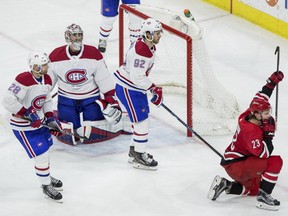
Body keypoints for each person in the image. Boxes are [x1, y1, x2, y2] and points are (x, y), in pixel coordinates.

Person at [207, 71, 284, 211]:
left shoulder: (248, 114)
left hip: (235, 163)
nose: (269, 116)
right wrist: (269, 135)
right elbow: (264, 154)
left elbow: (262, 95)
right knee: (275, 162)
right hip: (237, 166)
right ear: (256, 114)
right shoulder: (251, 131)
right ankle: (264, 198)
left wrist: (271, 83)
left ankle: (226, 185)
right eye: (266, 113)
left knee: (254, 189)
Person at [2, 51, 64, 202]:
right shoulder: (23, 79)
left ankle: (46, 176)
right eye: (43, 65)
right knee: (41, 155)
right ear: (34, 66)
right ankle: (45, 185)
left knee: (46, 152)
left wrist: (50, 118)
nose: (46, 67)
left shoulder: (47, 79)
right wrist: (27, 113)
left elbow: (47, 100)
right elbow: (8, 100)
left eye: (45, 64)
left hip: (40, 123)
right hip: (24, 127)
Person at [49, 23, 124, 145]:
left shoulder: (93, 53)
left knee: (94, 127)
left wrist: (111, 98)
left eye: (79, 35)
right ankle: (56, 115)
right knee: (69, 133)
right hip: (66, 99)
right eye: (74, 35)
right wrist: (39, 100)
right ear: (68, 37)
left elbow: (104, 79)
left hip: (90, 98)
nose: (77, 38)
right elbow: (48, 83)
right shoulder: (56, 56)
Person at [113, 18, 163, 170]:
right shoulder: (141, 52)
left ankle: (134, 151)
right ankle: (139, 155)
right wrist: (154, 88)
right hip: (129, 88)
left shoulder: (147, 45)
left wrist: (151, 88)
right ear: (147, 34)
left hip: (134, 87)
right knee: (142, 122)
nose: (159, 35)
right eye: (156, 33)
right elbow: (137, 77)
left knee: (141, 120)